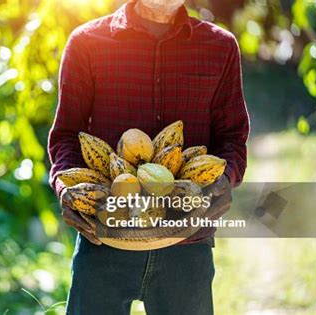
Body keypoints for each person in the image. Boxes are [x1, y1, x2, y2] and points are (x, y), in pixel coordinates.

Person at [48, 0, 250, 313]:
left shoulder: (220, 47)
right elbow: (65, 136)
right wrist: (66, 187)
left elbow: (232, 139)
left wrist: (226, 179)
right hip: (105, 236)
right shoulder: (87, 43)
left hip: (186, 242)